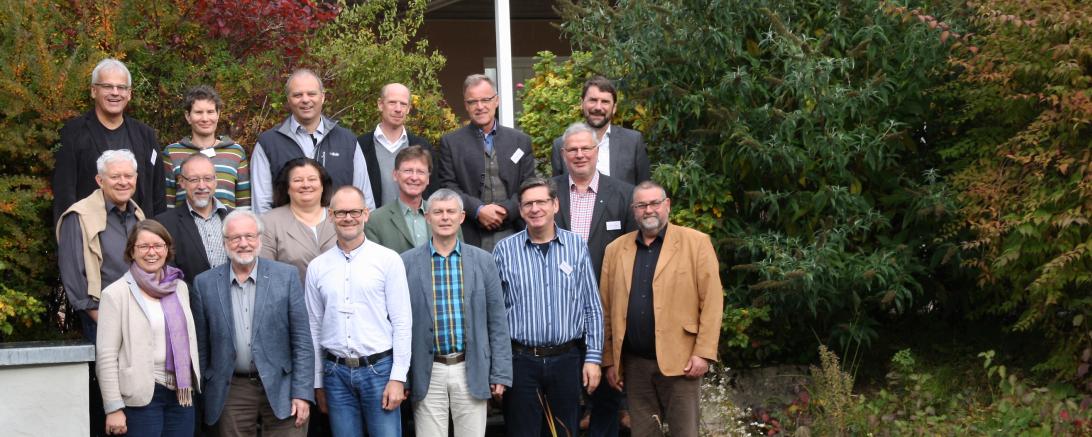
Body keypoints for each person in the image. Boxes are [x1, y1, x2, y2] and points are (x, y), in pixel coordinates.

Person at [599, 181, 724, 437]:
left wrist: (704, 352)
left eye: (655, 203)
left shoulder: (696, 243)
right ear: (634, 210)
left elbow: (711, 302)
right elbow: (606, 310)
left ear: (667, 205)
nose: (649, 210)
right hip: (635, 366)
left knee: (684, 433)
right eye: (641, 205)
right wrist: (609, 359)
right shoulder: (615, 250)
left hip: (683, 362)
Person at [492, 178, 603, 436]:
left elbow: (592, 306)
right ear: (520, 210)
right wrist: (497, 368)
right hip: (520, 362)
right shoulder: (504, 250)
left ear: (555, 205)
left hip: (567, 359)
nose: (535, 208)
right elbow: (494, 316)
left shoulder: (576, 246)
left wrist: (594, 358)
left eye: (541, 201)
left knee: (564, 431)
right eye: (528, 203)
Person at [191, 210, 314, 436]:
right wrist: (206, 392)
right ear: (225, 242)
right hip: (231, 390)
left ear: (259, 239)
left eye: (249, 236)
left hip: (282, 385)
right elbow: (201, 347)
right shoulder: (204, 284)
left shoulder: (285, 276)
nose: (243, 243)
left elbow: (302, 341)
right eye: (235, 238)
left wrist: (302, 392)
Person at [401, 188, 512, 436]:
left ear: (462, 217)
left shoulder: (483, 261)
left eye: (451, 211)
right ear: (427, 217)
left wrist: (501, 373)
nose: (444, 217)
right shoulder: (406, 262)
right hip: (427, 368)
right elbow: (399, 325)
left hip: (470, 366)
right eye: (437, 212)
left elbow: (497, 321)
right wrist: (403, 377)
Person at [551, 122, 637, 436]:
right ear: (562, 154)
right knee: (564, 401)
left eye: (586, 148)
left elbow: (633, 253)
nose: (579, 154)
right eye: (572, 149)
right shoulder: (549, 192)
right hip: (559, 311)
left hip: (607, 309)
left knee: (607, 400)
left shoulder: (624, 194)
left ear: (597, 151)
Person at [305, 186, 412, 437]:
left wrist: (398, 377)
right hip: (335, 374)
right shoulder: (318, 267)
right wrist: (318, 382)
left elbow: (402, 322)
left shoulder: (388, 260)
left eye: (354, 211)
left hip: (379, 371)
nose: (348, 218)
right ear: (330, 216)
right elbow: (314, 326)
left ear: (366, 214)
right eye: (341, 212)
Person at [56, 149, 146, 437]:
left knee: (138, 399)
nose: (123, 182)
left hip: (141, 318)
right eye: (115, 176)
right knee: (111, 404)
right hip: (101, 321)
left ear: (136, 178)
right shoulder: (78, 216)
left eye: (128, 176)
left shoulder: (137, 214)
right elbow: (75, 281)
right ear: (99, 180)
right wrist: (106, 321)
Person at [96, 220, 201, 437]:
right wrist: (113, 407)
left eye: (158, 245)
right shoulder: (115, 294)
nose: (151, 252)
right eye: (143, 247)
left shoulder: (179, 287)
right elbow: (106, 356)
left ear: (167, 249)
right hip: (141, 396)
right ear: (131, 252)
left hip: (181, 393)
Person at [53, 57, 165, 223]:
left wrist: (156, 235)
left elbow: (158, 194)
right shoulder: (73, 133)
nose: (115, 92)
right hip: (92, 235)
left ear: (129, 94)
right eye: (107, 86)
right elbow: (65, 194)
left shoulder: (145, 135)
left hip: (139, 237)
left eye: (121, 87)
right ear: (93, 91)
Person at [251, 69, 375, 214]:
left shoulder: (347, 141)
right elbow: (261, 206)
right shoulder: (268, 144)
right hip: (286, 235)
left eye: (311, 94)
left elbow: (365, 200)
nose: (305, 100)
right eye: (297, 95)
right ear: (288, 100)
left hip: (338, 234)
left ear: (322, 97)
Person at [436, 74, 535, 251]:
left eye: (486, 100)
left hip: (515, 232)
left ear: (496, 101)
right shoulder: (451, 143)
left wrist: (506, 210)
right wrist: (478, 210)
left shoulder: (520, 141)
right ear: (466, 106)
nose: (480, 106)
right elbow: (448, 186)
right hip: (469, 235)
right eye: (473, 102)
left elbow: (528, 184)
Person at [550, 76, 650, 186]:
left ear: (614, 108)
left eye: (605, 102)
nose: (598, 107)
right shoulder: (561, 144)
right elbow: (557, 191)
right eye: (593, 100)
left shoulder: (633, 142)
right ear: (582, 103)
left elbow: (644, 189)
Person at [163, 85, 251, 209]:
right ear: (188, 116)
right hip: (185, 227)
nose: (205, 118)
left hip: (226, 227)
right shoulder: (172, 153)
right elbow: (168, 204)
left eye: (210, 112)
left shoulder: (235, 152)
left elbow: (244, 204)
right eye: (198, 112)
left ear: (218, 114)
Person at [157, 153, 231, 289]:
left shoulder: (234, 219)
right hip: (189, 305)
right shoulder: (164, 224)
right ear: (182, 182)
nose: (202, 186)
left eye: (207, 178)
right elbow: (168, 273)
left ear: (215, 181)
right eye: (194, 179)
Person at [359, 83, 439, 208]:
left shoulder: (423, 147)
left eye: (403, 104)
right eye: (392, 102)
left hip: (414, 224)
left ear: (408, 108)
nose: (398, 109)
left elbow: (433, 192)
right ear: (380, 104)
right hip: (373, 225)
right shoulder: (360, 146)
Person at [259, 158, 337, 283]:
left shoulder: (341, 217)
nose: (306, 185)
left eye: (312, 179)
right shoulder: (269, 222)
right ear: (287, 188)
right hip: (290, 300)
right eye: (297, 180)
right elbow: (265, 274)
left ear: (323, 185)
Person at [364, 145, 432, 253]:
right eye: (408, 171)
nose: (414, 177)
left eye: (420, 172)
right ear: (395, 175)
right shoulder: (375, 221)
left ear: (428, 178)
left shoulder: (444, 215)